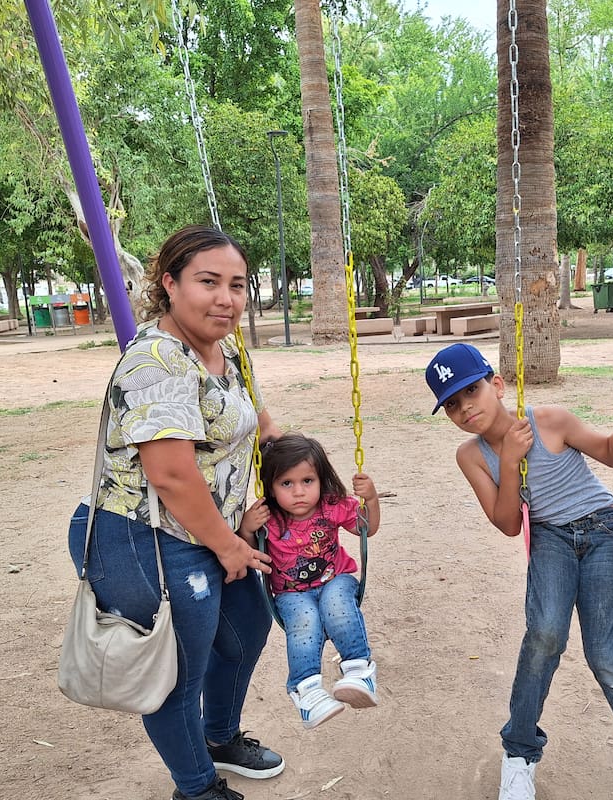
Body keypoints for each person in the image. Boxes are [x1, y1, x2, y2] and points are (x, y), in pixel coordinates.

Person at [67, 225, 286, 800]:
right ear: (170, 283)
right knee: (176, 674)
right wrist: (228, 545)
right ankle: (196, 786)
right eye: (208, 282)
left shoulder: (226, 346)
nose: (227, 299)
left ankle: (218, 737)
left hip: (217, 530)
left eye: (237, 285)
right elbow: (170, 474)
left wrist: (310, 480)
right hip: (144, 537)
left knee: (247, 629)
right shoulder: (156, 362)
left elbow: (260, 423)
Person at [425, 342, 613, 800]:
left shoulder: (549, 421)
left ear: (497, 385)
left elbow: (611, 453)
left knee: (607, 654)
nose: (465, 409)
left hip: (601, 531)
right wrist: (507, 461)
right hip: (548, 538)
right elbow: (506, 524)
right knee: (544, 636)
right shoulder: (471, 455)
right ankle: (519, 754)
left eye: (472, 392)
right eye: (452, 405)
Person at [239, 433, 382, 729]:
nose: (299, 492)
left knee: (337, 604)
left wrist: (371, 498)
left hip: (335, 579)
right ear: (271, 487)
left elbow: (365, 528)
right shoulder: (269, 518)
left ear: (321, 479)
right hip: (292, 593)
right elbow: (251, 551)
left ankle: (358, 669)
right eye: (286, 484)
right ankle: (307, 691)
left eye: (307, 481)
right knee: (304, 623)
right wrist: (248, 529)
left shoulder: (332, 506)